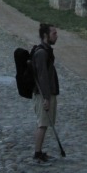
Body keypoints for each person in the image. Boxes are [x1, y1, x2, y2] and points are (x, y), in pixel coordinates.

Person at [31, 22, 60, 163]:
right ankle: (37, 152)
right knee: (42, 124)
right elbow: (42, 76)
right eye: (54, 33)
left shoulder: (46, 50)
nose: (56, 36)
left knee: (44, 124)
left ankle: (39, 151)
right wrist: (46, 98)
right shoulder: (42, 53)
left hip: (47, 93)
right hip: (42, 95)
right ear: (45, 35)